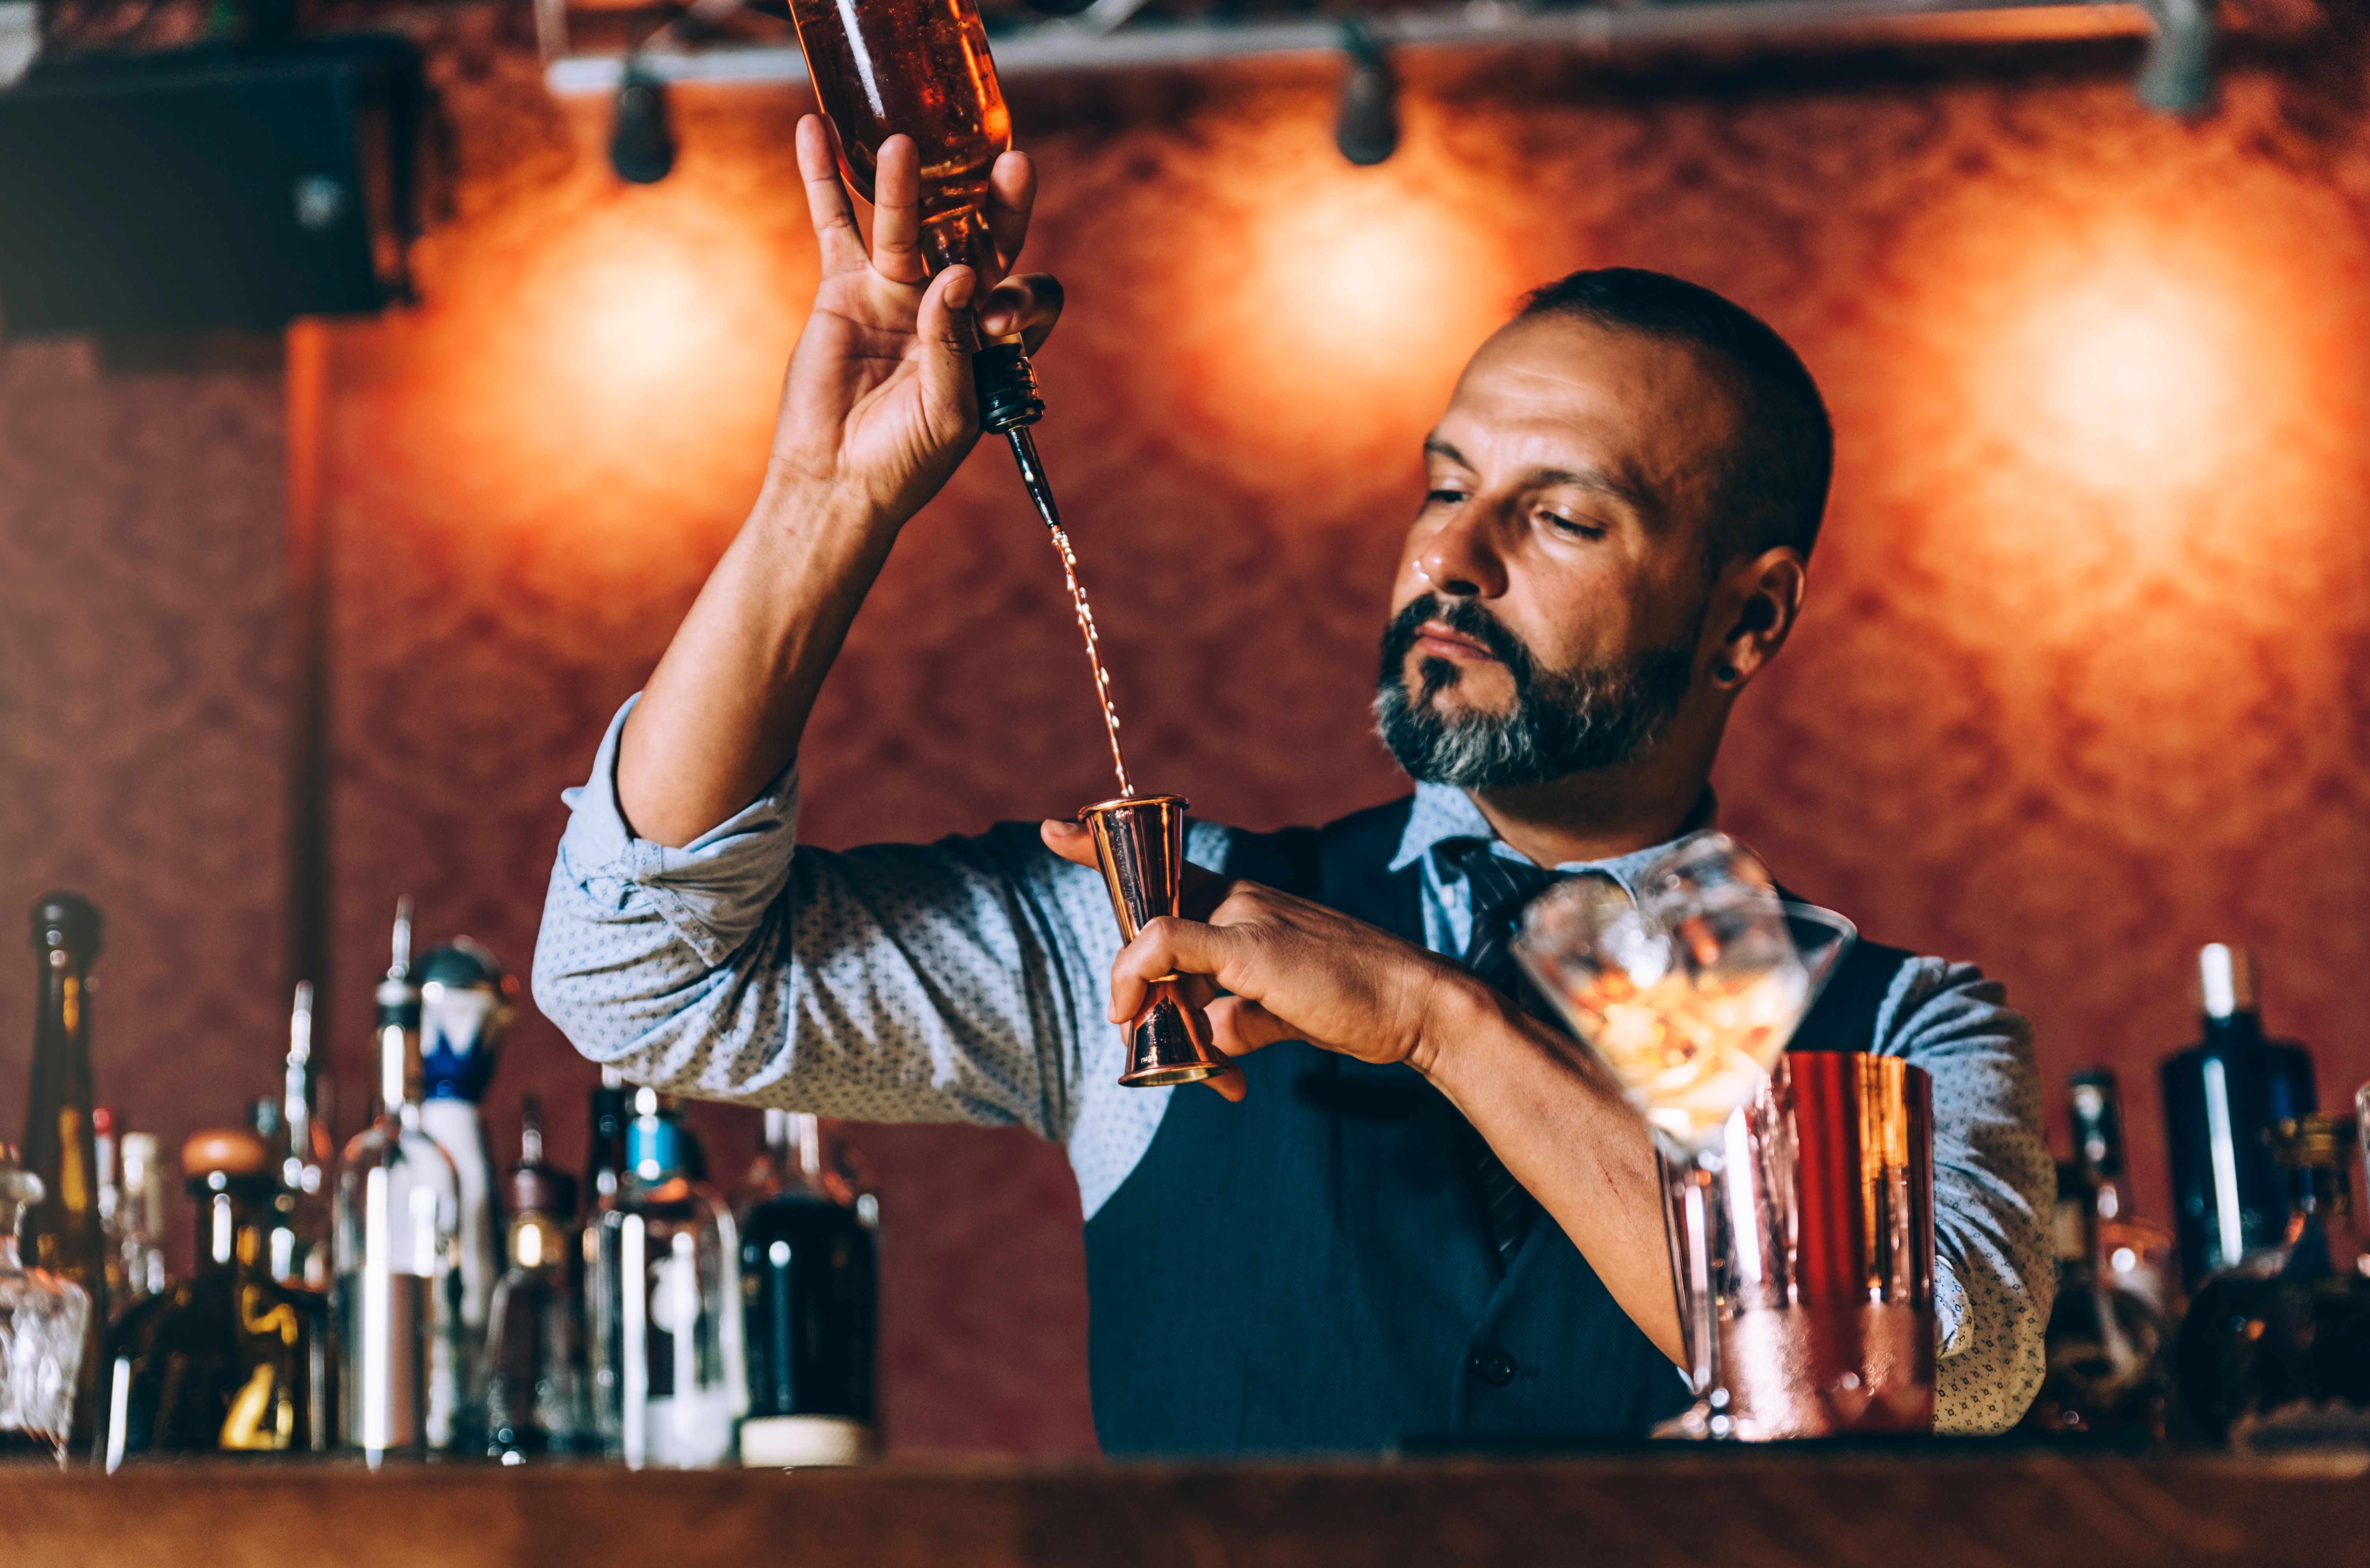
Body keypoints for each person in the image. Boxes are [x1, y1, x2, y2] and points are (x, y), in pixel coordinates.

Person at [534, 117, 2052, 1452]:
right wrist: (829, 496)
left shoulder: (1899, 1027)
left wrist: (1441, 1023)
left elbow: (1946, 1371)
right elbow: (639, 980)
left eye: (1562, 519)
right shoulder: (1154, 933)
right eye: (1447, 487)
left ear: (1750, 618)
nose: (1450, 561)